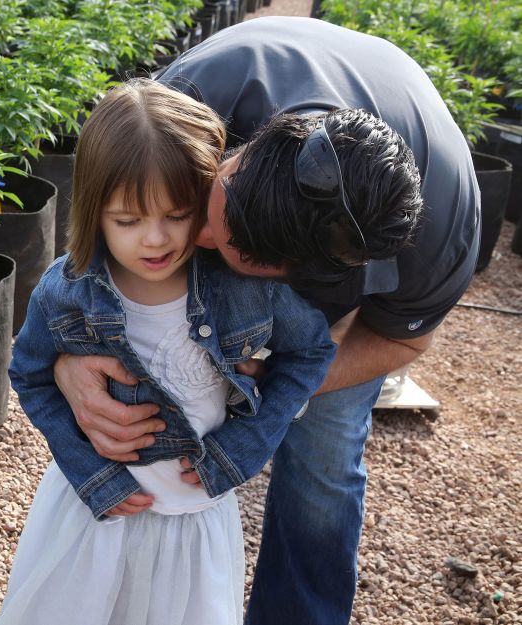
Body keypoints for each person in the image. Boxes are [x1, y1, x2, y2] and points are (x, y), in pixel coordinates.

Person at [53, 16, 480, 625]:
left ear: (290, 275)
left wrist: (271, 389)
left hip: (367, 247)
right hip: (260, 77)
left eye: (217, 245)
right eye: (207, 200)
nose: (188, 237)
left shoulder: (440, 238)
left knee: (322, 462)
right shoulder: (200, 95)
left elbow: (398, 341)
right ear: (245, 150)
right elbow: (102, 218)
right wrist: (70, 358)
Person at [0, 78, 336, 625]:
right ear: (92, 211)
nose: (155, 239)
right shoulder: (66, 290)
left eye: (177, 214)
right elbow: (30, 374)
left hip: (195, 520)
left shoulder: (247, 285)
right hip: (95, 517)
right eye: (127, 221)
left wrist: (246, 446)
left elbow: (310, 352)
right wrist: (90, 471)